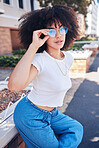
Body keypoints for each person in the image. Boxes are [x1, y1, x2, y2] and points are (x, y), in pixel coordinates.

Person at [8, 4, 83, 148]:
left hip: (52, 114)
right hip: (30, 115)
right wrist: (34, 46)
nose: (59, 34)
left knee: (76, 129)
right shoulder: (39, 59)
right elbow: (14, 86)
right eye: (52, 31)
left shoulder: (68, 58)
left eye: (62, 28)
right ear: (43, 34)